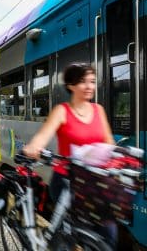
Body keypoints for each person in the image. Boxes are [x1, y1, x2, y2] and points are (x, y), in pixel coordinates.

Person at [23, 63, 117, 248]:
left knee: (109, 234)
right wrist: (33, 147)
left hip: (94, 181)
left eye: (92, 81)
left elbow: (109, 142)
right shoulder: (61, 111)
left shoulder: (99, 110)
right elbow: (42, 137)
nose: (90, 86)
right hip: (66, 180)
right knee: (68, 234)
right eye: (83, 82)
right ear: (71, 85)